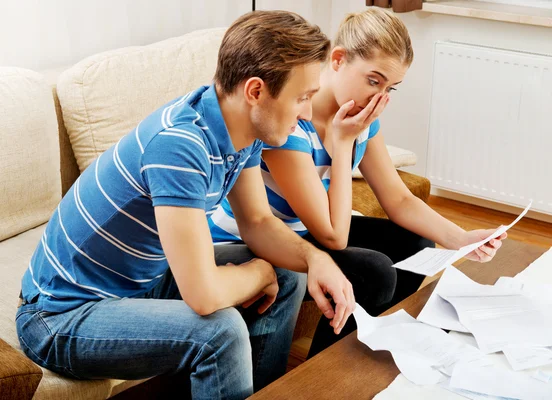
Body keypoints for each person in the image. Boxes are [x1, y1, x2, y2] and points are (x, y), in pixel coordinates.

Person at [16, 11, 356, 399]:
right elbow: (204, 295)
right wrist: (258, 271)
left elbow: (258, 220)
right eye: (302, 98)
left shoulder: (240, 126)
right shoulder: (180, 145)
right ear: (256, 91)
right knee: (221, 331)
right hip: (61, 317)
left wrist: (316, 260)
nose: (308, 114)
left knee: (288, 275)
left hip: (140, 282)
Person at [209, 8, 507, 358]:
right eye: (373, 80)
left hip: (307, 229)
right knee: (375, 272)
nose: (379, 97)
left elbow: (397, 198)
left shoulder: (361, 120)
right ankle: (325, 370)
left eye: (390, 87)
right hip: (262, 241)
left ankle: (368, 344)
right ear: (338, 60)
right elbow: (333, 236)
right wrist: (343, 145)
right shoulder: (290, 123)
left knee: (421, 244)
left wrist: (460, 239)